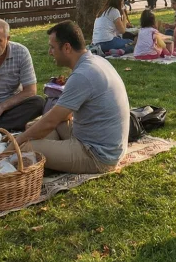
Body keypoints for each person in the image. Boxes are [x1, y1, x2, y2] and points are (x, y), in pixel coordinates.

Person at [14, 22, 129, 174]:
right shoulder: (96, 61)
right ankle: (46, 152)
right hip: (99, 142)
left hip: (97, 156)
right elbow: (63, 115)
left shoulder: (83, 74)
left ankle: (35, 156)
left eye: (52, 47)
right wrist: (34, 130)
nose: (50, 52)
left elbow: (50, 122)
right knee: (34, 128)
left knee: (24, 149)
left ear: (67, 48)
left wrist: (14, 144)